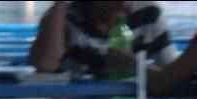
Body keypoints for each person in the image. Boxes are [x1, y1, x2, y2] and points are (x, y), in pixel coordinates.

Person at [29, 1, 176, 77]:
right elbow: (45, 65)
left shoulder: (149, 13)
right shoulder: (65, 15)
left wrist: (134, 66)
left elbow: (171, 74)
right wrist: (60, 5)